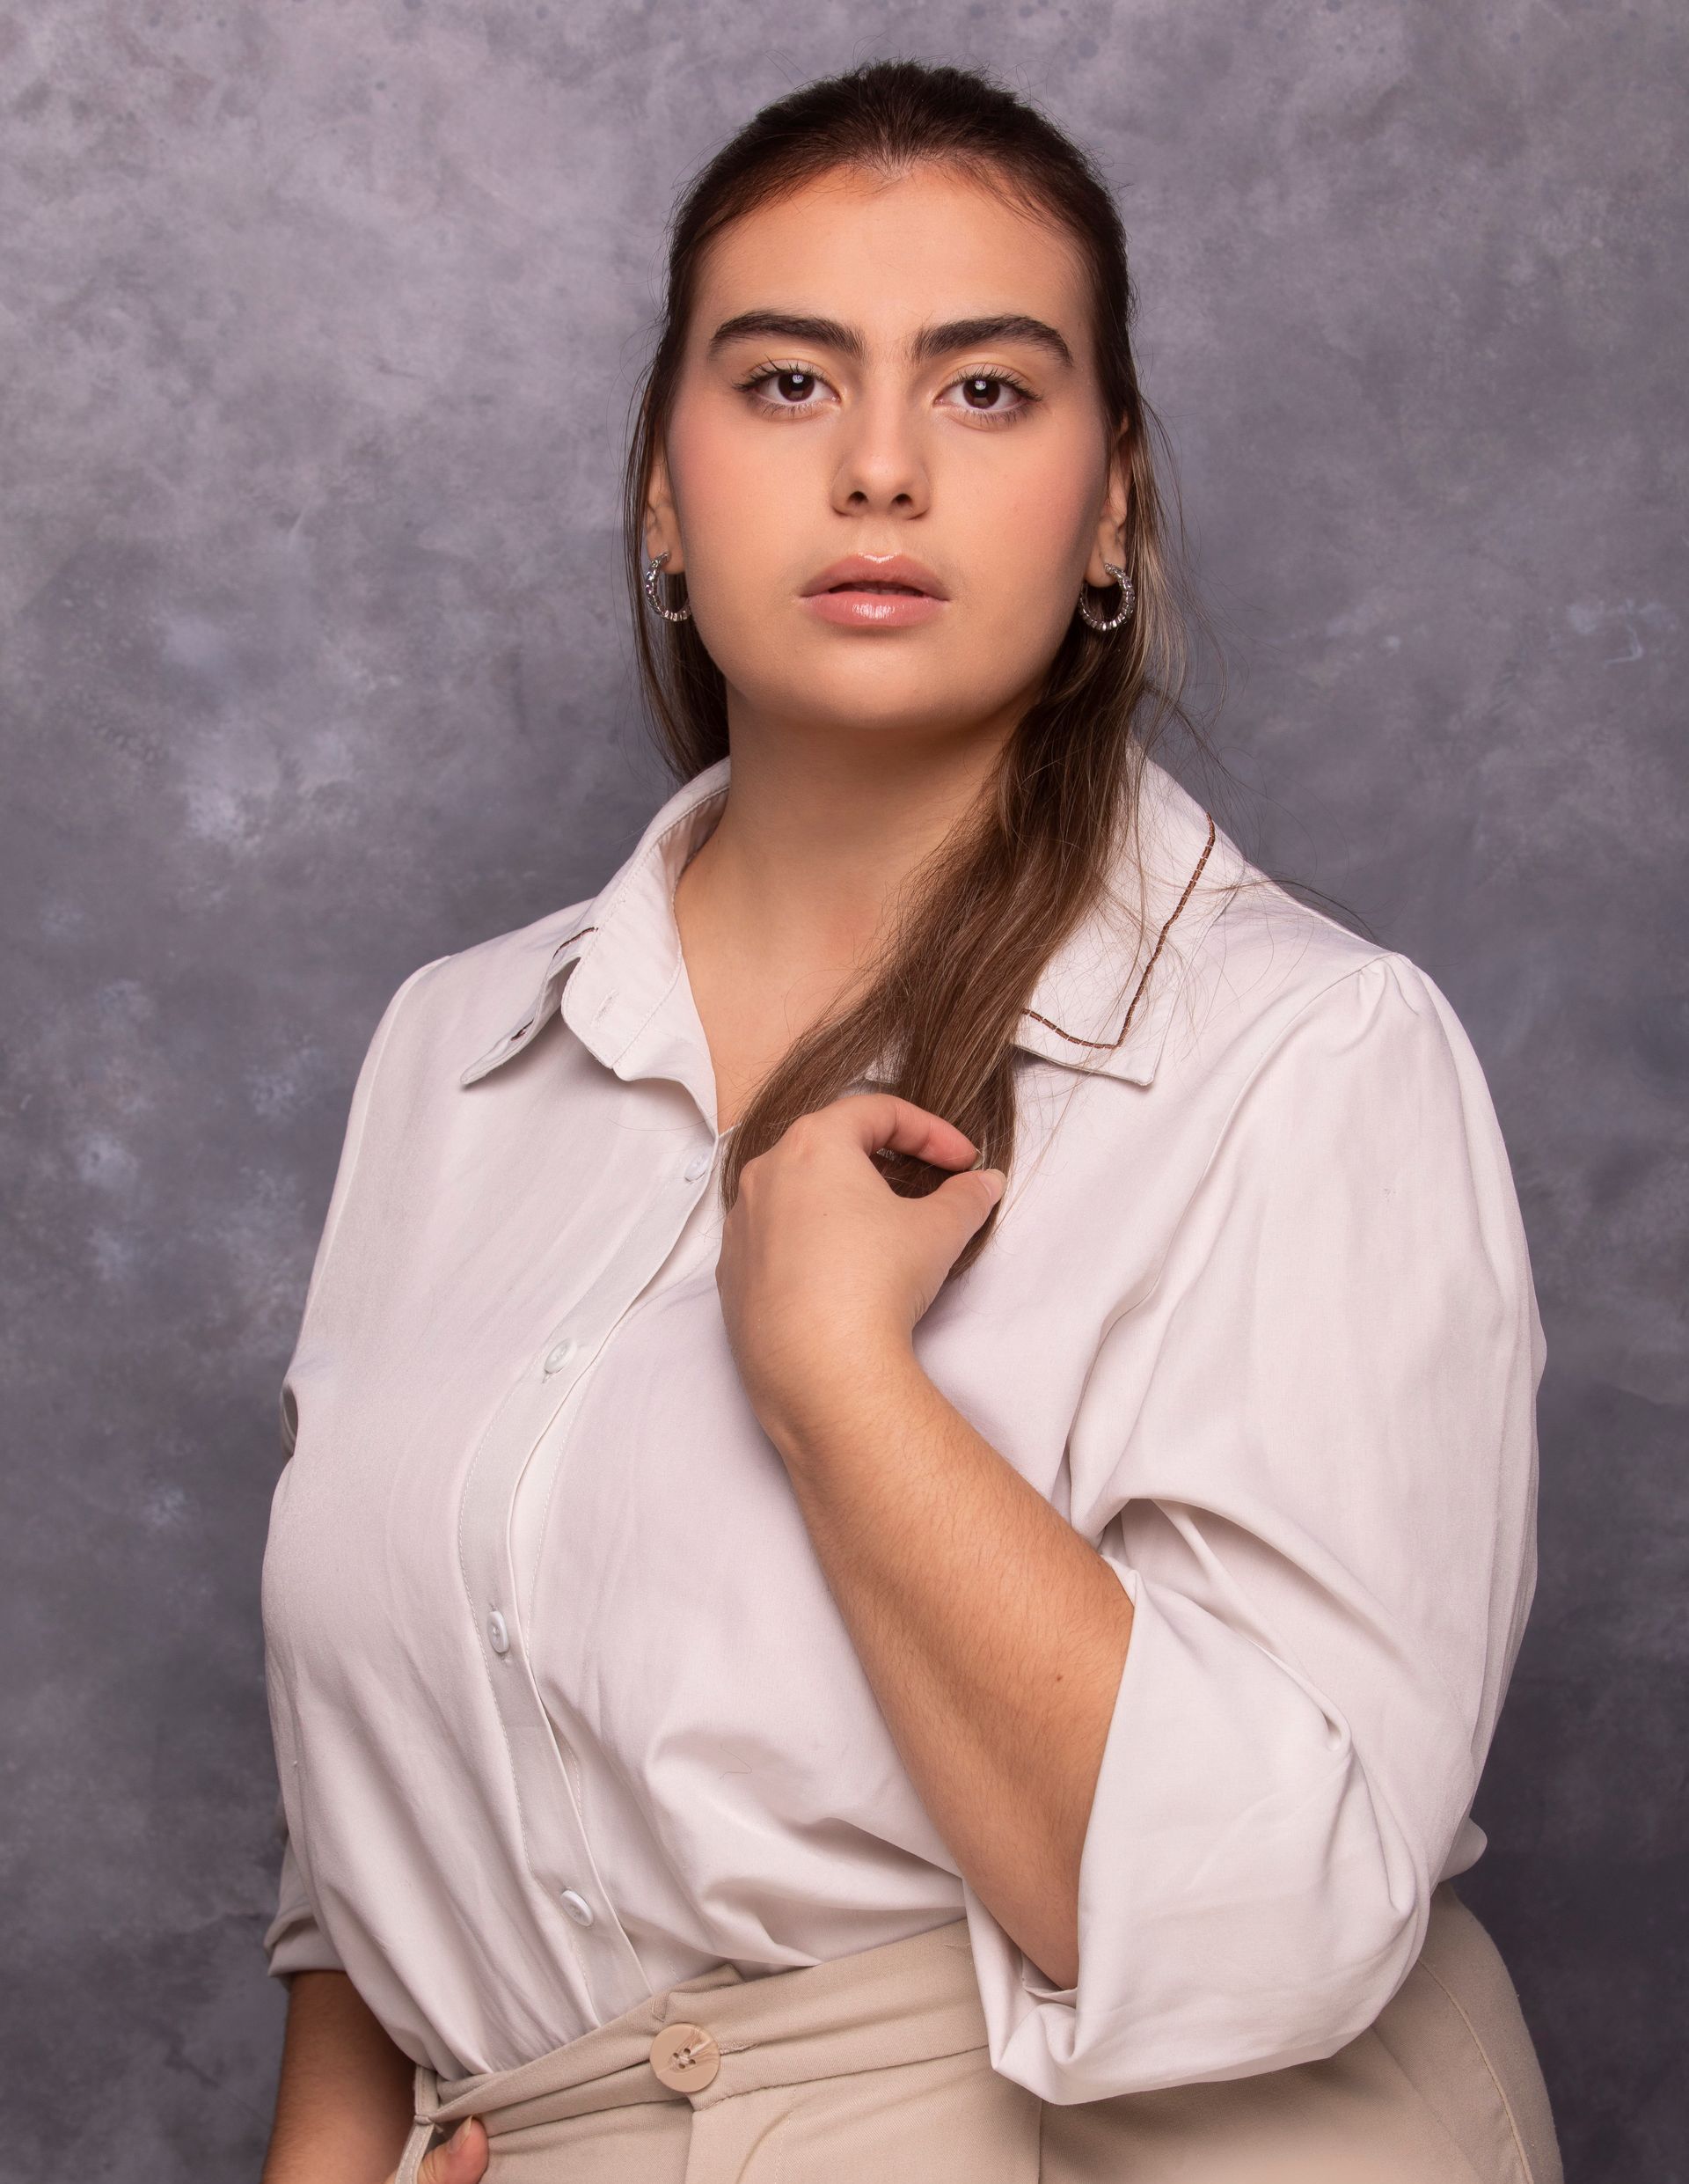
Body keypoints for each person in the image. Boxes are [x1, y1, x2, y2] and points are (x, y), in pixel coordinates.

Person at [256, 58, 1562, 2184]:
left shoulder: (1307, 1058)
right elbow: (365, 1834)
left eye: (986, 390)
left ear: (1110, 502)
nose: (879, 466)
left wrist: (841, 1383)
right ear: (662, 489)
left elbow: (1279, 1918)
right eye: (786, 383)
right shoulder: (453, 1050)